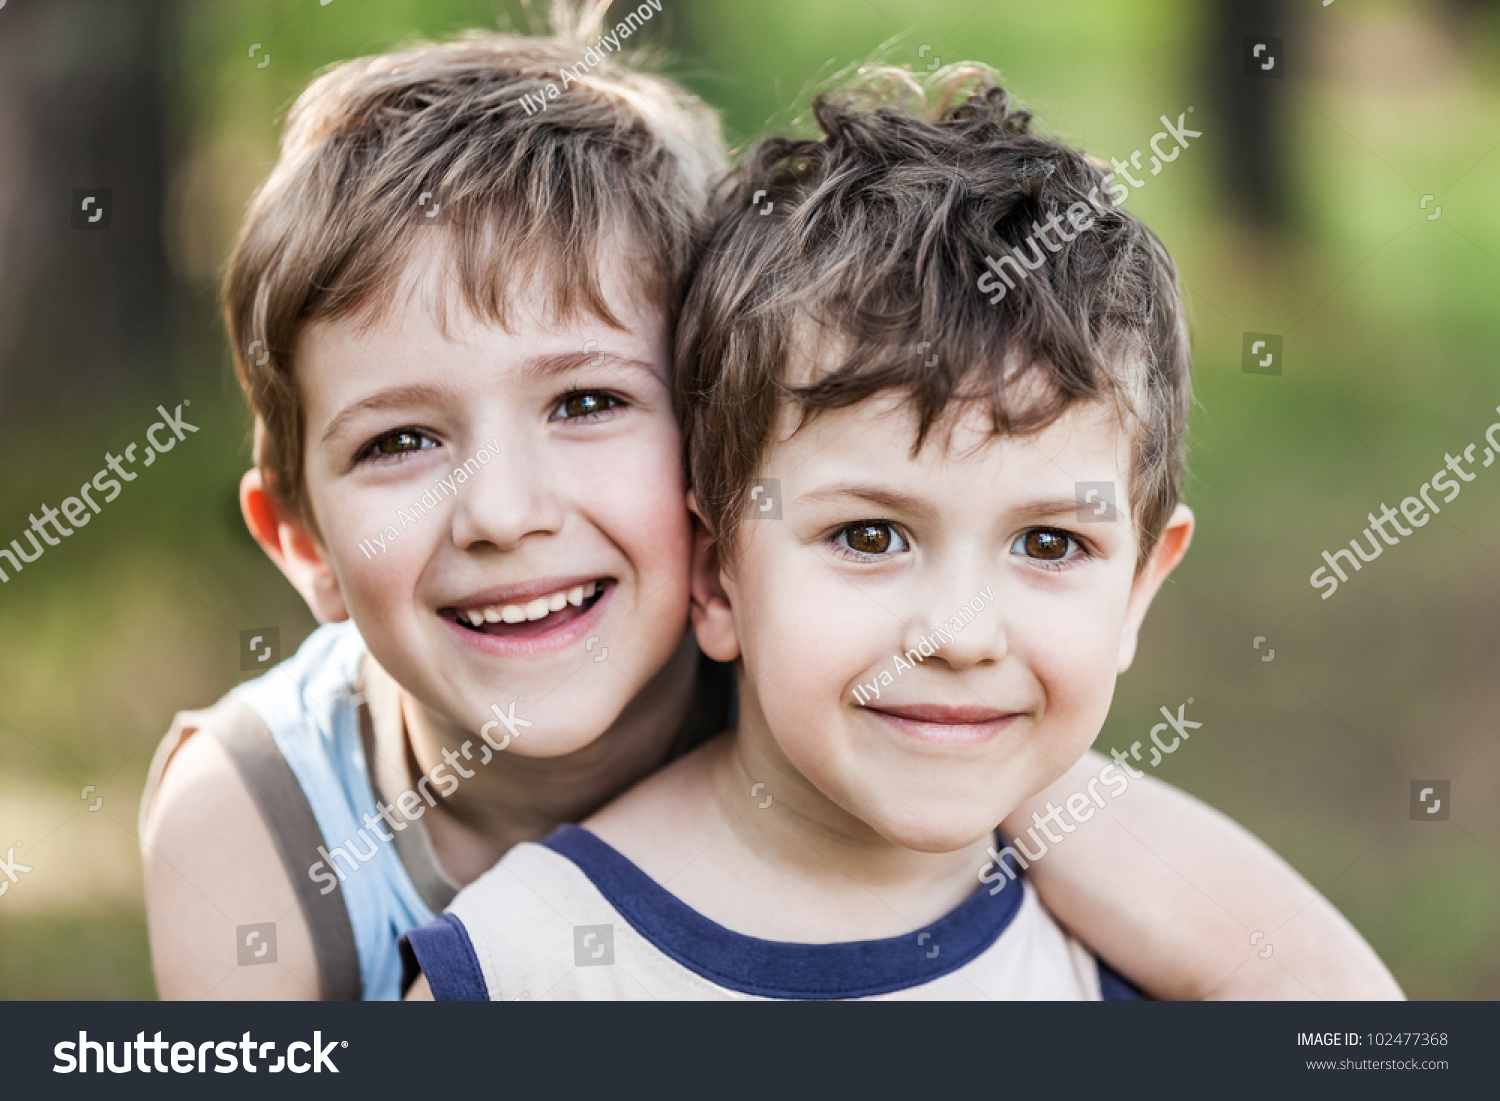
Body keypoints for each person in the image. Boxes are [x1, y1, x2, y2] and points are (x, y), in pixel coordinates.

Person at [403, 65, 1402, 1000]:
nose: (960, 636)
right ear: (717, 575)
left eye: (1049, 545)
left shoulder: (1143, 964)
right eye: (871, 537)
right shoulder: (521, 972)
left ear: (1140, 584)